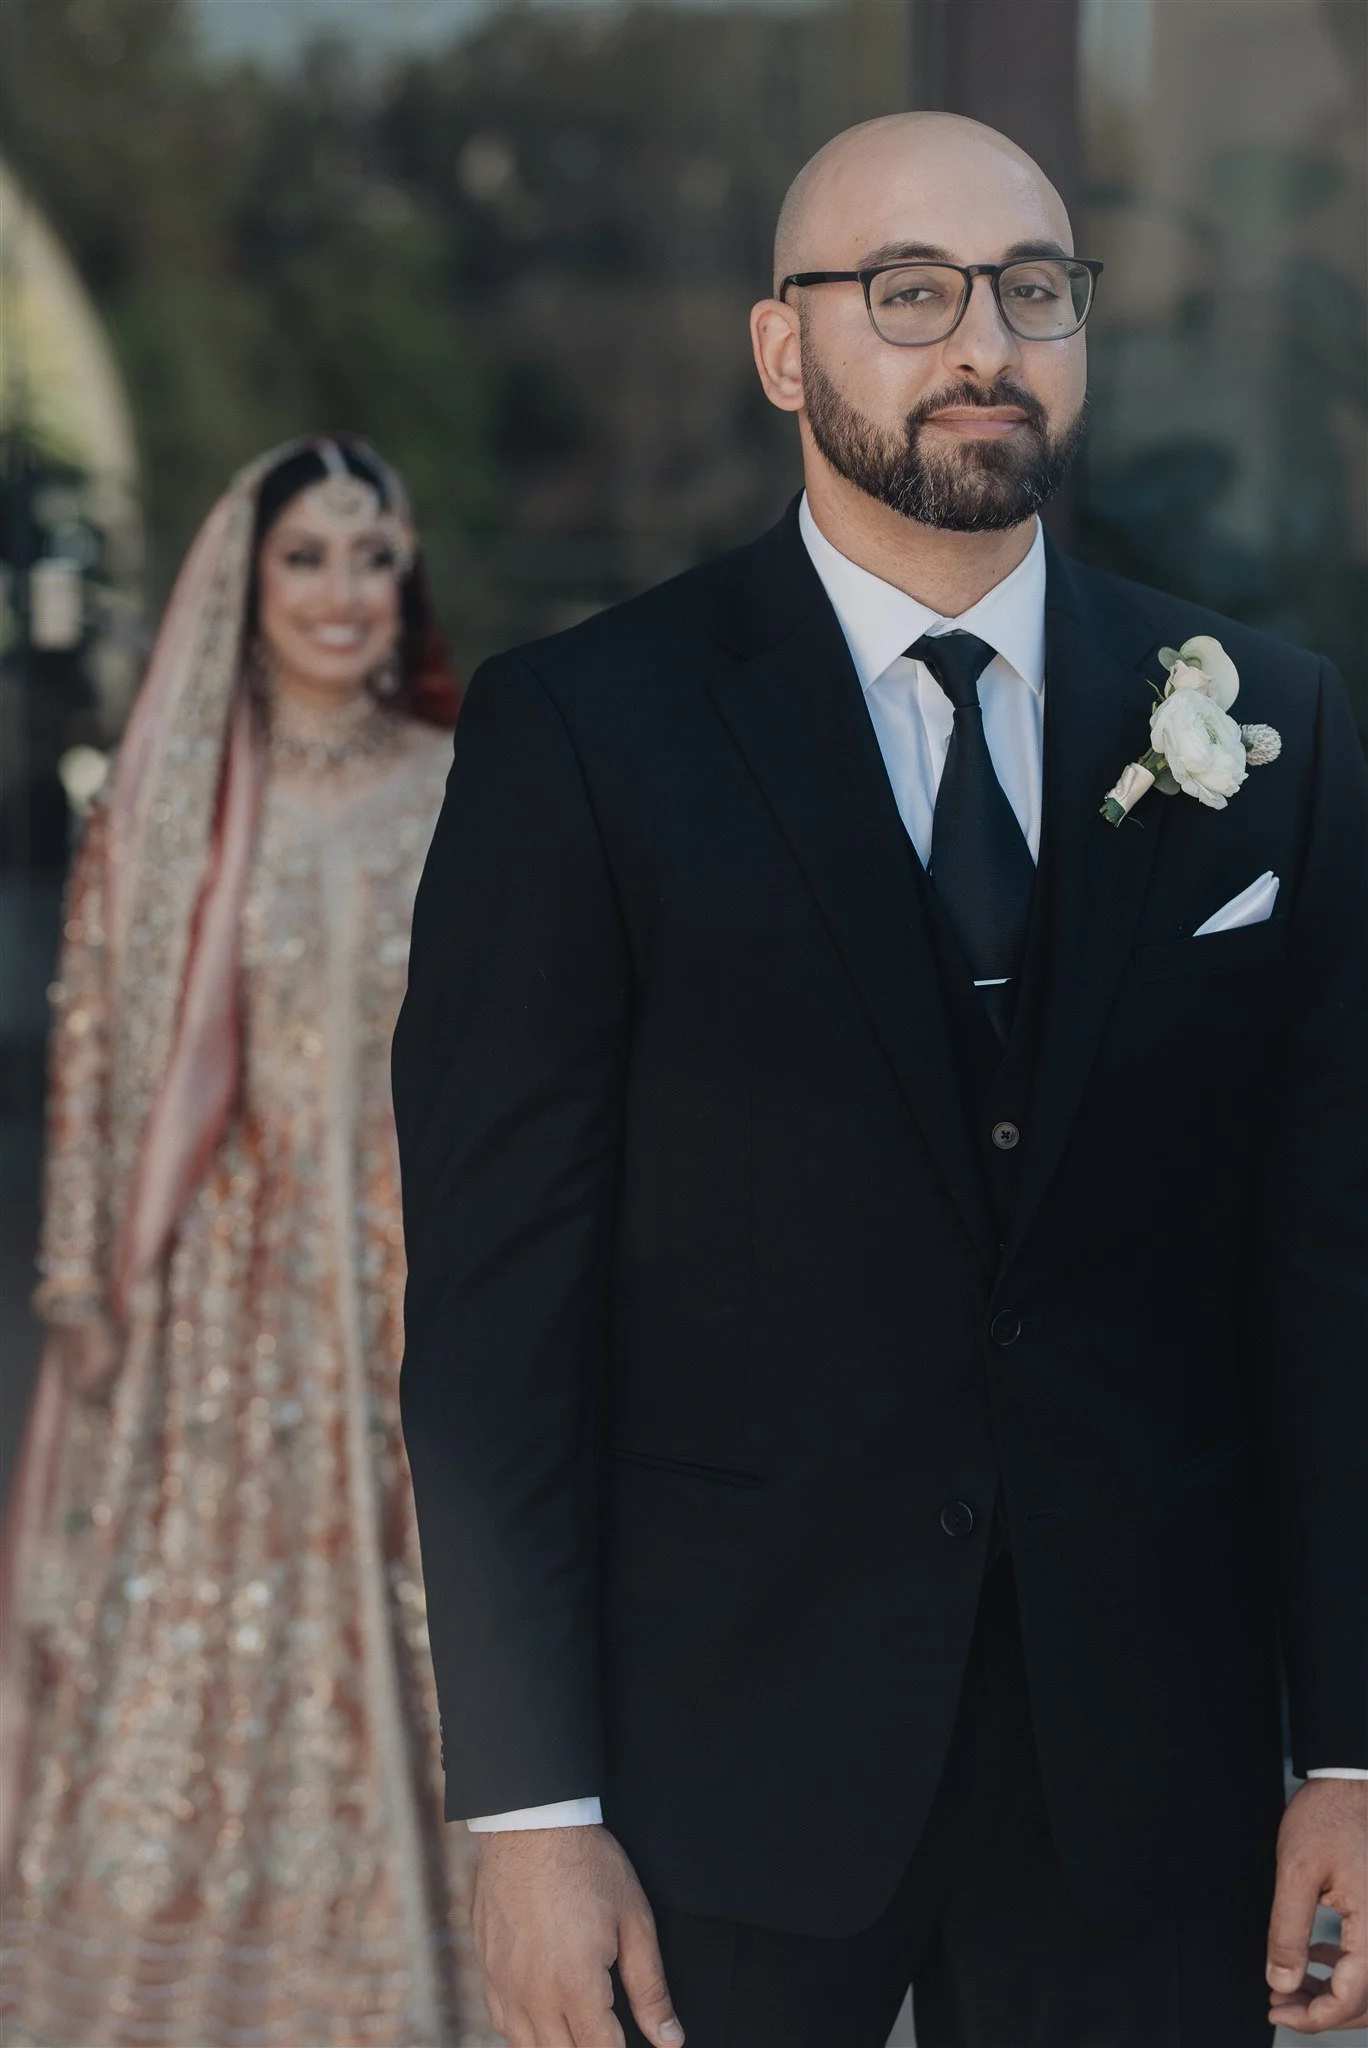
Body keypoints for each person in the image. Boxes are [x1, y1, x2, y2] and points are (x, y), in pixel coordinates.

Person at [393, 115, 1368, 2048]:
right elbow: (498, 1325)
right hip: (720, 1776)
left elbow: (1333, 1279)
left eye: (1034, 289)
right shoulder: (582, 736)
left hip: (1148, 1784)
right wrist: (530, 1811)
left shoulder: (1270, 721)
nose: (981, 341)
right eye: (908, 291)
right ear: (783, 350)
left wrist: (1351, 1748)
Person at [0, 438, 497, 2047]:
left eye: (373, 554)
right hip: (221, 1300)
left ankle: (402, 1979)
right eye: (308, 557)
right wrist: (82, 1277)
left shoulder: (463, 785)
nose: (345, 593)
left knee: (430, 1639)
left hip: (418, 1287)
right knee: (196, 1639)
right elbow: (94, 1043)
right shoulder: (173, 811)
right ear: (245, 581)